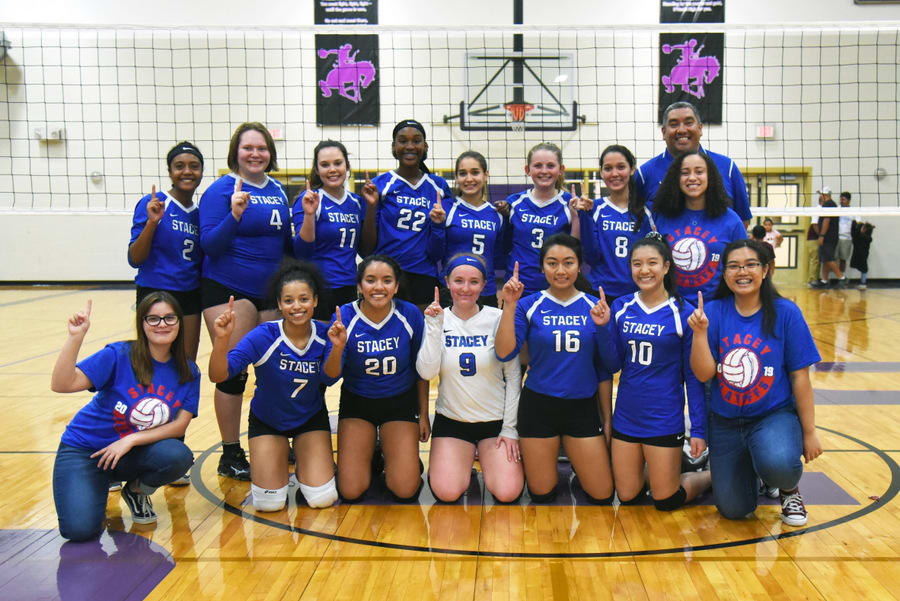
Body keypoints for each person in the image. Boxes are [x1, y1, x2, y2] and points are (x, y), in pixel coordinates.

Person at [688, 239, 823, 526]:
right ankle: (758, 474)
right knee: (734, 510)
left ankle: (788, 489)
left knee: (779, 463)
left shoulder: (786, 313)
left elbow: (800, 377)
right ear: (724, 273)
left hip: (772, 416)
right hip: (726, 422)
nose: (742, 272)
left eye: (750, 265)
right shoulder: (713, 312)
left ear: (765, 270)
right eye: (734, 266)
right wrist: (699, 334)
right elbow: (703, 375)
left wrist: (810, 432)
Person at [51, 292, 199, 541]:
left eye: (169, 318)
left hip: (130, 453)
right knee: (79, 531)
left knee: (177, 456)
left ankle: (136, 491)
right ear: (142, 323)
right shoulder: (119, 355)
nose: (162, 324)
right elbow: (62, 384)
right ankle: (93, 485)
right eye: (153, 319)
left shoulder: (188, 371)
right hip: (86, 451)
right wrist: (75, 338)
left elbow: (179, 426)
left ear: (179, 323)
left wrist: (129, 440)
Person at [208, 261, 341, 511]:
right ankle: (285, 462)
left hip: (310, 420)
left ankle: (308, 465)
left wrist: (338, 348)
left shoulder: (326, 335)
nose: (296, 306)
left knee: (322, 499)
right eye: (288, 300)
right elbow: (219, 375)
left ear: (315, 301)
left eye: (303, 299)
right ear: (279, 304)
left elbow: (330, 378)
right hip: (268, 422)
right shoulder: (263, 336)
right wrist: (222, 340)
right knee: (269, 504)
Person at [199, 122, 292, 480]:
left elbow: (285, 245)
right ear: (235, 152)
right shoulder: (221, 189)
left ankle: (274, 438)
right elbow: (210, 245)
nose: (255, 154)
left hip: (270, 291)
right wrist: (235, 214)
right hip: (228, 288)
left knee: (274, 370)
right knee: (233, 372)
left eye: (262, 148)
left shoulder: (278, 191)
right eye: (247, 147)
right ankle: (230, 452)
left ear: (271, 153)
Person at [495, 233, 616, 504]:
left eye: (568, 262)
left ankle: (579, 469)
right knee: (542, 494)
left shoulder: (593, 306)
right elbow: (504, 352)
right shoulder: (528, 305)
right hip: (538, 408)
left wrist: (603, 327)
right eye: (552, 263)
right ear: (542, 267)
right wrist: (509, 305)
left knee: (603, 495)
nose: (560, 270)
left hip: (581, 408)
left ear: (579, 266)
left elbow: (610, 365)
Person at [599, 234, 710, 510]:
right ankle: (661, 468)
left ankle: (711, 476)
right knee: (627, 495)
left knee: (666, 499)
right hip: (627, 416)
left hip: (664, 418)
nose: (644, 270)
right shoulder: (621, 307)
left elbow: (693, 378)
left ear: (666, 267)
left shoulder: (683, 312)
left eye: (652, 263)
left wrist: (698, 429)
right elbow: (613, 365)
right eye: (637, 264)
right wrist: (603, 328)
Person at [416, 254, 523, 503]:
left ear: (484, 285)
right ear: (447, 282)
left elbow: (514, 376)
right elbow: (426, 373)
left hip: (495, 422)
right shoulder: (436, 317)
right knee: (447, 492)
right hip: (452, 421)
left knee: (508, 492)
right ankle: (463, 466)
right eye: (459, 281)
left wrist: (509, 428)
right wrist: (434, 327)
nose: (465, 288)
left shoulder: (497, 318)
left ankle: (488, 461)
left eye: (474, 282)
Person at [329, 255, 429, 502]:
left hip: (399, 402)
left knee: (405, 489)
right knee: (351, 490)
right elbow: (330, 377)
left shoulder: (410, 314)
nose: (378, 287)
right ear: (359, 285)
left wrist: (424, 414)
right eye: (370, 280)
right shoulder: (345, 316)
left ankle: (396, 455)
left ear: (396, 286)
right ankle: (373, 451)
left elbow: (421, 370)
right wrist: (337, 348)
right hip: (358, 402)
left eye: (387, 280)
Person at [128, 141, 204, 361]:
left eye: (194, 166)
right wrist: (152, 223)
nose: (187, 171)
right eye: (179, 166)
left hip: (189, 294)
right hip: (154, 291)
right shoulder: (153, 203)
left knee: (187, 363)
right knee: (153, 362)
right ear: (170, 172)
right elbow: (135, 258)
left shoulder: (200, 214)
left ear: (201, 172)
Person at [369, 120, 454, 307]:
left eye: (416, 141)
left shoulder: (439, 186)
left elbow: (437, 251)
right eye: (403, 141)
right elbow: (367, 246)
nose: (409, 146)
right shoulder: (379, 185)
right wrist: (370, 208)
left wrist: (438, 225)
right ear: (393, 147)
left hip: (423, 274)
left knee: (423, 325)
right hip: (386, 274)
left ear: (425, 146)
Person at [651, 150, 747, 306]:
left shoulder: (731, 221)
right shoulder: (662, 218)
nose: (692, 177)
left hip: (716, 309)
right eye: (685, 173)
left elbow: (743, 267)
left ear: (710, 176)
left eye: (699, 172)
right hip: (671, 309)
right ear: (676, 178)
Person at [293, 140, 376, 320]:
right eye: (325, 165)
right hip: (317, 287)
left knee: (344, 336)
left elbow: (365, 251)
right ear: (317, 170)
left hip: (348, 286)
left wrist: (371, 208)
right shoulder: (310, 199)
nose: (332, 169)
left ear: (347, 166)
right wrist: (309, 215)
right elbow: (301, 253)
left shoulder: (356, 202)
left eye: (337, 163)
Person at [634, 101, 752, 225]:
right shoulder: (644, 174)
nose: (681, 130)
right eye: (674, 124)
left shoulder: (727, 167)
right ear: (663, 132)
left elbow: (742, 220)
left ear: (700, 128)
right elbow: (633, 219)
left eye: (688, 123)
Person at [577, 144, 656, 306]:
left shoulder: (647, 210)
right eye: (608, 168)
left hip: (639, 293)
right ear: (601, 173)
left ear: (632, 170)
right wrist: (585, 215)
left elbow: (654, 254)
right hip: (601, 293)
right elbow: (591, 257)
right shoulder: (594, 208)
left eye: (621, 167)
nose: (614, 174)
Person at [428, 151, 505, 307]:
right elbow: (434, 254)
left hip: (486, 291)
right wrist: (437, 226)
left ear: (486, 175)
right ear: (456, 178)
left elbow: (498, 257)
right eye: (463, 174)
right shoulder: (446, 209)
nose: (469, 179)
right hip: (451, 291)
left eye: (475, 172)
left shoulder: (497, 215)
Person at [502, 143, 579, 296]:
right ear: (527, 170)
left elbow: (575, 248)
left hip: (556, 287)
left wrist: (577, 217)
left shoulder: (570, 203)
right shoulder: (514, 203)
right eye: (538, 165)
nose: (544, 171)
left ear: (561, 169)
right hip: (518, 286)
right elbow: (504, 244)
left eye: (550, 165)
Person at [810, 186, 848, 288]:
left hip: (828, 237)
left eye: (821, 195)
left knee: (829, 258)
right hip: (832, 237)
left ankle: (842, 278)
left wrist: (821, 235)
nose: (820, 197)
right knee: (825, 259)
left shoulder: (828, 204)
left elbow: (826, 220)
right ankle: (824, 280)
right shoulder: (832, 204)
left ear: (825, 195)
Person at [850, 219, 874, 290]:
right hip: (864, 255)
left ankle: (863, 284)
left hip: (859, 255)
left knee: (864, 269)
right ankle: (863, 283)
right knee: (864, 269)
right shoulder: (868, 238)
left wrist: (855, 223)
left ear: (864, 230)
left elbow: (854, 233)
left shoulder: (859, 237)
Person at [836, 192, 854, 274]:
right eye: (841, 199)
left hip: (847, 238)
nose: (841, 201)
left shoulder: (853, 211)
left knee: (843, 260)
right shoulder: (836, 209)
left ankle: (841, 277)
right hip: (835, 237)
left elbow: (858, 224)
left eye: (843, 199)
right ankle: (828, 278)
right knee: (831, 259)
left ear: (849, 200)